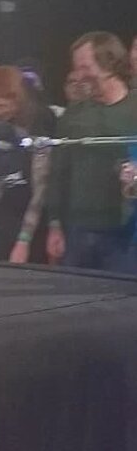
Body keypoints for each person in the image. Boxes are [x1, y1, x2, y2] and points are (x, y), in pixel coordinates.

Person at [47, 32, 137, 272]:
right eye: (76, 68)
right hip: (78, 231)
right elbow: (58, 172)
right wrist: (54, 224)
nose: (78, 75)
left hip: (127, 233)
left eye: (84, 67)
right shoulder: (74, 114)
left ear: (110, 63)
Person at [0, 66, 51, 264]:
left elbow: (40, 191)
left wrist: (24, 240)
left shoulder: (37, 130)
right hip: (1, 224)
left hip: (30, 227)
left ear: (16, 102)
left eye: (1, 106)